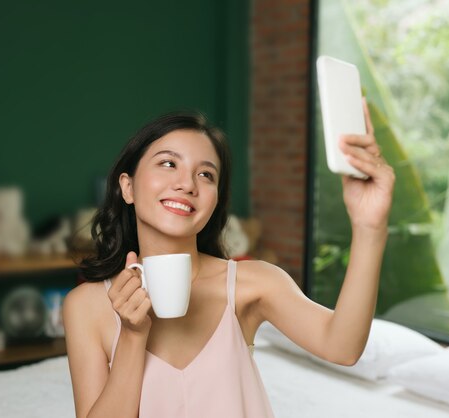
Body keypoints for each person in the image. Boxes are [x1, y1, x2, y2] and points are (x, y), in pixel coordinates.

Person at [63, 106, 395, 418]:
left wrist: (370, 229)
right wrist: (133, 336)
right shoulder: (86, 306)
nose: (187, 184)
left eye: (206, 174)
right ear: (128, 186)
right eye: (168, 163)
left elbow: (344, 348)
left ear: (215, 200)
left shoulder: (254, 283)